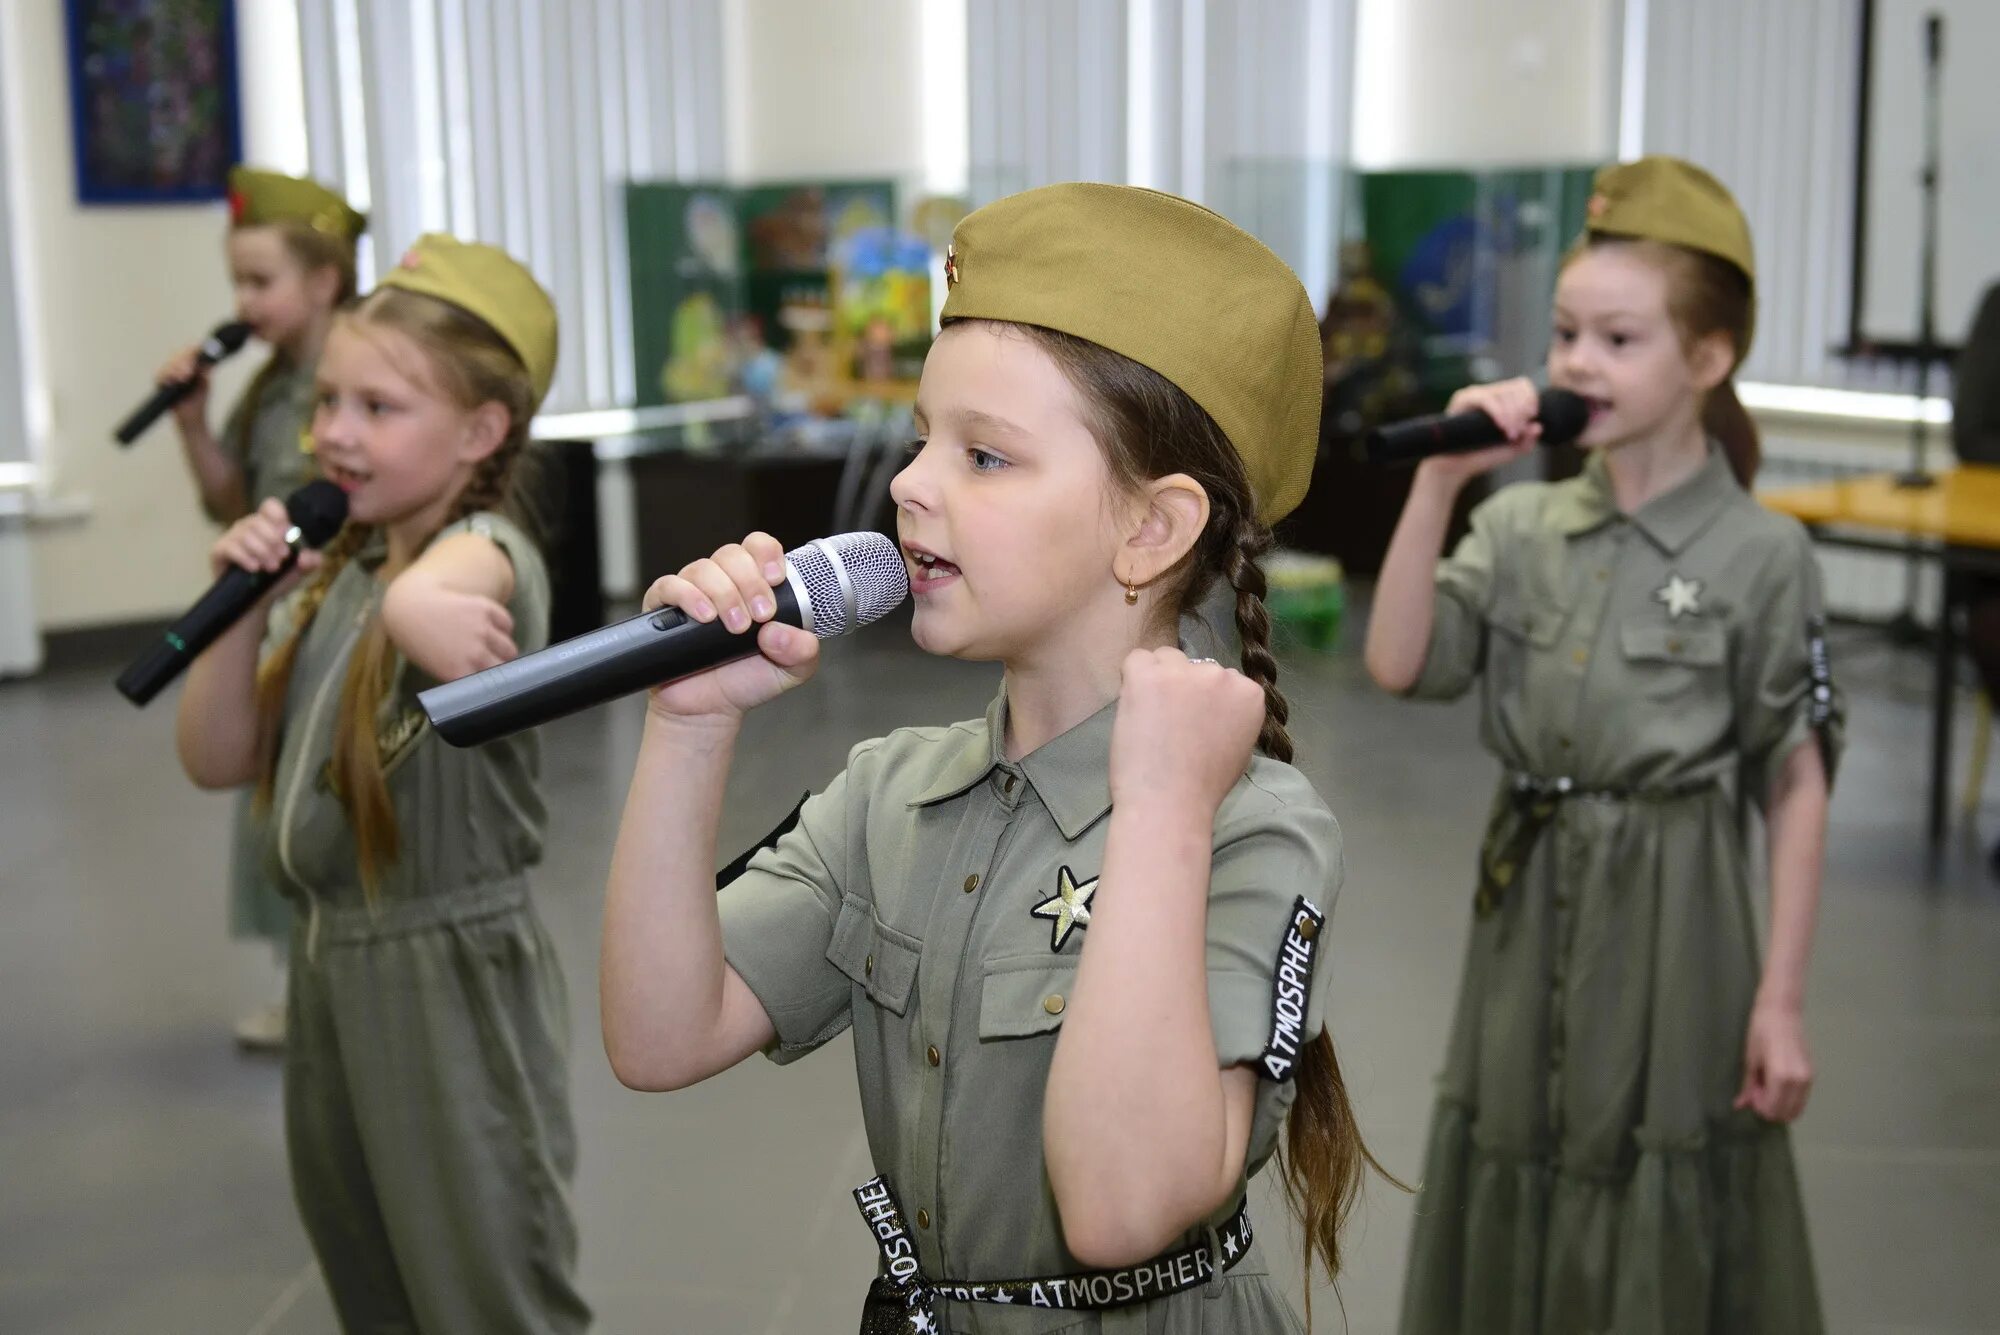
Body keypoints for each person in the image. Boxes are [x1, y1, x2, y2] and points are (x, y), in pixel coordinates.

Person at [601, 183, 1379, 1331]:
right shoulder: (892, 792)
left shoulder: (1244, 825)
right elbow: (662, 1037)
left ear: (1150, 529)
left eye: (986, 457)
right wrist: (689, 726)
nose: (910, 483)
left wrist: (1161, 805)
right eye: (923, 439)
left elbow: (1123, 1210)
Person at [1366, 157, 1841, 1334]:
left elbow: (1793, 776)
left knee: (1657, 1148)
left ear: (1707, 358)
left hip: (1677, 917)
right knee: (1512, 1133)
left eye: (1618, 339)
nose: (1579, 362)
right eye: (1566, 331)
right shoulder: (1523, 521)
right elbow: (1397, 662)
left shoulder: (1758, 555)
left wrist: (1778, 1003)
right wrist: (1438, 485)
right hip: (1525, 900)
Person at [173, 235, 589, 1332]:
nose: (334, 434)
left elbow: (460, 582)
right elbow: (217, 757)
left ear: (480, 432)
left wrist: (410, 603)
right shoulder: (347, 574)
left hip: (443, 982)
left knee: (485, 1288)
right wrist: (244, 602)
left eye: (379, 407)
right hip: (330, 971)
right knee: (376, 1286)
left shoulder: (484, 557)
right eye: (327, 401)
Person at [156, 166, 364, 1048]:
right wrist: (194, 424)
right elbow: (228, 500)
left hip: (338, 610)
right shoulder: (271, 384)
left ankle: (338, 976)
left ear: (324, 280)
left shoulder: (353, 374)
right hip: (273, 616)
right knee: (269, 799)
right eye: (235, 280)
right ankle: (304, 976)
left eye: (260, 281)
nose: (242, 301)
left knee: (328, 799)